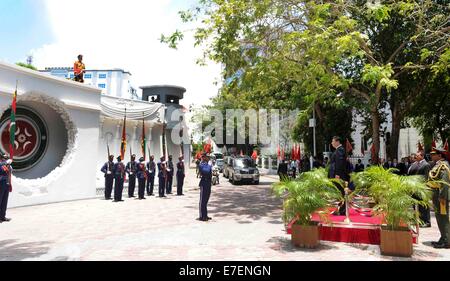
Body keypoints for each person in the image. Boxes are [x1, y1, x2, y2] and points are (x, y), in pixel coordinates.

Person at [427, 148, 450, 249]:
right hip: (436, 195)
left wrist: (442, 196)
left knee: (443, 218)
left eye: (434, 154)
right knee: (439, 217)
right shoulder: (438, 165)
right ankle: (444, 237)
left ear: (440, 155)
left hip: (441, 196)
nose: (432, 156)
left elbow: (444, 183)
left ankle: (447, 240)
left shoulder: (444, 166)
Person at [408, 151, 432, 227]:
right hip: (414, 188)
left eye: (417, 155)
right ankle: (418, 220)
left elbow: (425, 177)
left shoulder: (426, 165)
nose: (415, 157)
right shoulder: (414, 164)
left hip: (422, 189)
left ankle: (426, 221)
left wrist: (420, 186)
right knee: (415, 205)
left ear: (422, 156)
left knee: (424, 206)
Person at [329, 136, 349, 216]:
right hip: (337, 175)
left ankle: (342, 210)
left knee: (340, 192)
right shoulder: (338, 150)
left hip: (338, 176)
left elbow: (339, 163)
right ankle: (340, 209)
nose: (332, 143)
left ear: (337, 141)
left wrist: (338, 174)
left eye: (333, 141)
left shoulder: (340, 150)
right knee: (339, 193)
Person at [198, 153, 213, 222]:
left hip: (208, 183)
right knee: (202, 201)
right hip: (204, 184)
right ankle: (201, 216)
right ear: (203, 157)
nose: (209, 158)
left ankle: (205, 215)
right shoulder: (201, 164)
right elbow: (206, 172)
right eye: (207, 157)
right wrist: (209, 165)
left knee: (206, 200)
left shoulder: (207, 164)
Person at [0, 154, 13, 223]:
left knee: (4, 201)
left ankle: (2, 216)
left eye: (7, 158)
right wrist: (5, 163)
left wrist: (10, 184)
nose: (5, 158)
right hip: (1, 184)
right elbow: (2, 171)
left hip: (7, 184)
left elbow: (9, 175)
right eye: (4, 158)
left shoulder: (9, 166)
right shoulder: (1, 164)